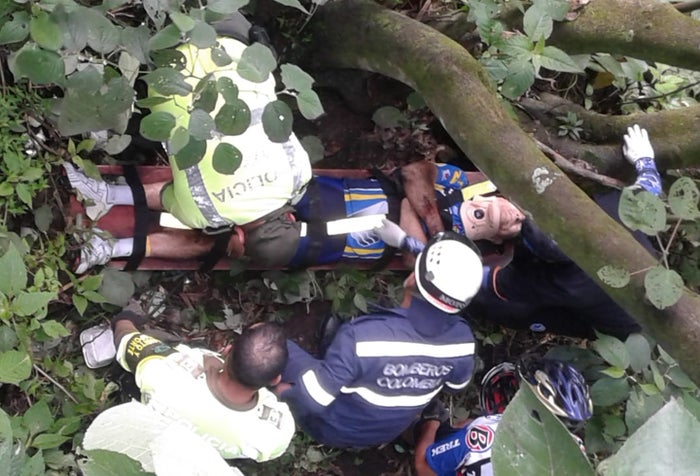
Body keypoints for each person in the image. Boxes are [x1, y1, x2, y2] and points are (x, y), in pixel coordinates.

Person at [65, 25, 311, 273]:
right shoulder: (206, 212)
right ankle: (105, 194)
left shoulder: (300, 173)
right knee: (183, 173)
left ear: (291, 217)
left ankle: (106, 195)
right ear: (240, 236)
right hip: (167, 72)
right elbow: (168, 196)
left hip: (232, 45)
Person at [67, 160, 523, 272]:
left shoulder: (465, 261)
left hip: (325, 242)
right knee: (226, 199)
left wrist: (413, 226)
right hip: (317, 195)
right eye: (521, 211)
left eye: (520, 226)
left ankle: (112, 247)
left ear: (503, 240)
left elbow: (411, 262)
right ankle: (107, 193)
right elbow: (413, 173)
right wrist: (427, 224)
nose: (513, 216)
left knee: (227, 242)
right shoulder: (463, 184)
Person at [272, 231, 483, 448]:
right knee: (353, 360)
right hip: (384, 433)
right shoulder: (463, 343)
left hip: (330, 427)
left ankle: (334, 363)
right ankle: (341, 363)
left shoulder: (363, 338)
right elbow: (455, 386)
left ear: (412, 279)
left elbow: (311, 402)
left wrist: (284, 394)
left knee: (270, 343)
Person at [462, 124, 662, 340]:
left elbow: (494, 285)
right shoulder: (611, 210)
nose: (515, 216)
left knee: (512, 308)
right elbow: (649, 189)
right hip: (644, 278)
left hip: (622, 322)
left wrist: (452, 267)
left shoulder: (566, 284)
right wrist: (644, 159)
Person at [109, 310, 295, 462]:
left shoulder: (164, 369)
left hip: (147, 435)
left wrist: (124, 318)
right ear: (275, 380)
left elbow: (124, 339)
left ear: (227, 350)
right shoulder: (276, 432)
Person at [413, 356, 592, 476]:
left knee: (435, 435)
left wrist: (432, 422)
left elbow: (423, 467)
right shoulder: (576, 453)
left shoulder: (486, 434)